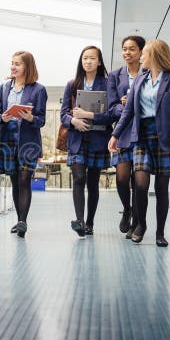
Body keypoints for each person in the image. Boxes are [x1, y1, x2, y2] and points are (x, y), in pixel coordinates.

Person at [108, 39, 170, 247]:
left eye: (144, 54)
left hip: (165, 138)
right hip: (141, 137)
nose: (140, 57)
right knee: (141, 183)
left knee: (162, 189)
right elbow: (128, 111)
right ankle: (140, 224)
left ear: (155, 56)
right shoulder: (140, 79)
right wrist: (115, 135)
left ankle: (160, 233)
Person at [0, 51, 48, 238]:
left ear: (27, 66)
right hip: (8, 139)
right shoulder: (3, 89)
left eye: (17, 64)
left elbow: (41, 120)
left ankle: (23, 221)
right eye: (12, 63)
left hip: (28, 140)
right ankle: (19, 219)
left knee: (25, 179)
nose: (13, 67)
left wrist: (31, 117)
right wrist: (2, 117)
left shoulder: (38, 90)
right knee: (15, 181)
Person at [61, 45, 111, 238]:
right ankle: (79, 221)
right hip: (77, 139)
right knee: (79, 177)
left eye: (92, 58)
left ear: (99, 61)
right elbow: (64, 113)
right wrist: (73, 121)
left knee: (92, 183)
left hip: (98, 138)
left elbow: (111, 114)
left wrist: (90, 116)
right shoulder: (72, 84)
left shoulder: (107, 84)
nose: (88, 62)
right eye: (85, 58)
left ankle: (90, 222)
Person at [107, 35, 144, 239]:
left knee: (138, 181)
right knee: (122, 178)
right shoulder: (114, 76)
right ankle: (127, 209)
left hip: (141, 133)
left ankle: (137, 221)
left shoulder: (147, 74)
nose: (127, 53)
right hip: (122, 131)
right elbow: (111, 108)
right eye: (124, 49)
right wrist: (124, 104)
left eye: (131, 49)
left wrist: (134, 101)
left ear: (140, 52)